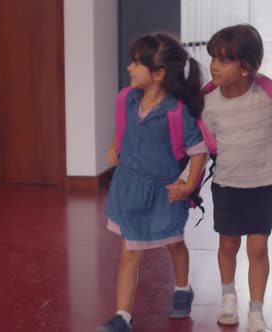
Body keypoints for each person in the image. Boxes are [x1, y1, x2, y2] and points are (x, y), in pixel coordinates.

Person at [169, 24, 272, 332]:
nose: (213, 65)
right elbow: (200, 148)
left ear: (246, 68)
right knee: (227, 246)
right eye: (213, 58)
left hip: (264, 184)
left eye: (224, 60)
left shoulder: (267, 94)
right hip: (227, 185)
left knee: (258, 249)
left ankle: (256, 310)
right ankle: (228, 297)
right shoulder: (208, 103)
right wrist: (186, 181)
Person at [97, 33, 207, 332]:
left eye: (136, 63)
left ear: (158, 74)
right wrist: (114, 145)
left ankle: (182, 288)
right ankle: (122, 316)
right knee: (129, 251)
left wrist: (188, 184)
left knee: (174, 243)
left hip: (162, 194)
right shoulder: (127, 98)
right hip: (127, 189)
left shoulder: (176, 112)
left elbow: (199, 151)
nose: (130, 69)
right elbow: (123, 125)